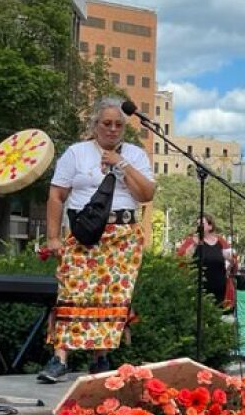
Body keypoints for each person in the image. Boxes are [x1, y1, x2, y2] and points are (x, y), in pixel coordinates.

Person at [38, 97, 155, 383]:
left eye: (118, 125)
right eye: (106, 124)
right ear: (94, 125)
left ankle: (101, 357)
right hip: (83, 233)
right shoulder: (76, 153)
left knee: (112, 297)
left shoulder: (136, 155)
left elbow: (147, 194)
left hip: (123, 236)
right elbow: (56, 196)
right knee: (73, 293)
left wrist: (122, 164)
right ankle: (60, 357)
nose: (113, 129)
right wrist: (53, 237)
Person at [177, 213, 234, 308]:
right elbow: (181, 259)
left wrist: (231, 262)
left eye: (202, 224)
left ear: (210, 226)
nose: (199, 226)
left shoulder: (221, 241)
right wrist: (194, 246)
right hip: (199, 288)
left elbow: (232, 263)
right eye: (198, 224)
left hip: (219, 288)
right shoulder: (192, 241)